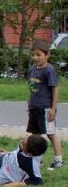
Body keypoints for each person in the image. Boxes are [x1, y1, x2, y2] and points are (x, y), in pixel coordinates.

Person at [27, 39, 63, 169]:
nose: (35, 58)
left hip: (46, 108)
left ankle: (58, 160)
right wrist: (30, 105)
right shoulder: (32, 69)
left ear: (47, 55)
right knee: (35, 135)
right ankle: (37, 159)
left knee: (50, 133)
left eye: (39, 55)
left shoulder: (49, 70)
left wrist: (53, 109)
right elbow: (32, 89)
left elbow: (55, 89)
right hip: (34, 107)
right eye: (33, 55)